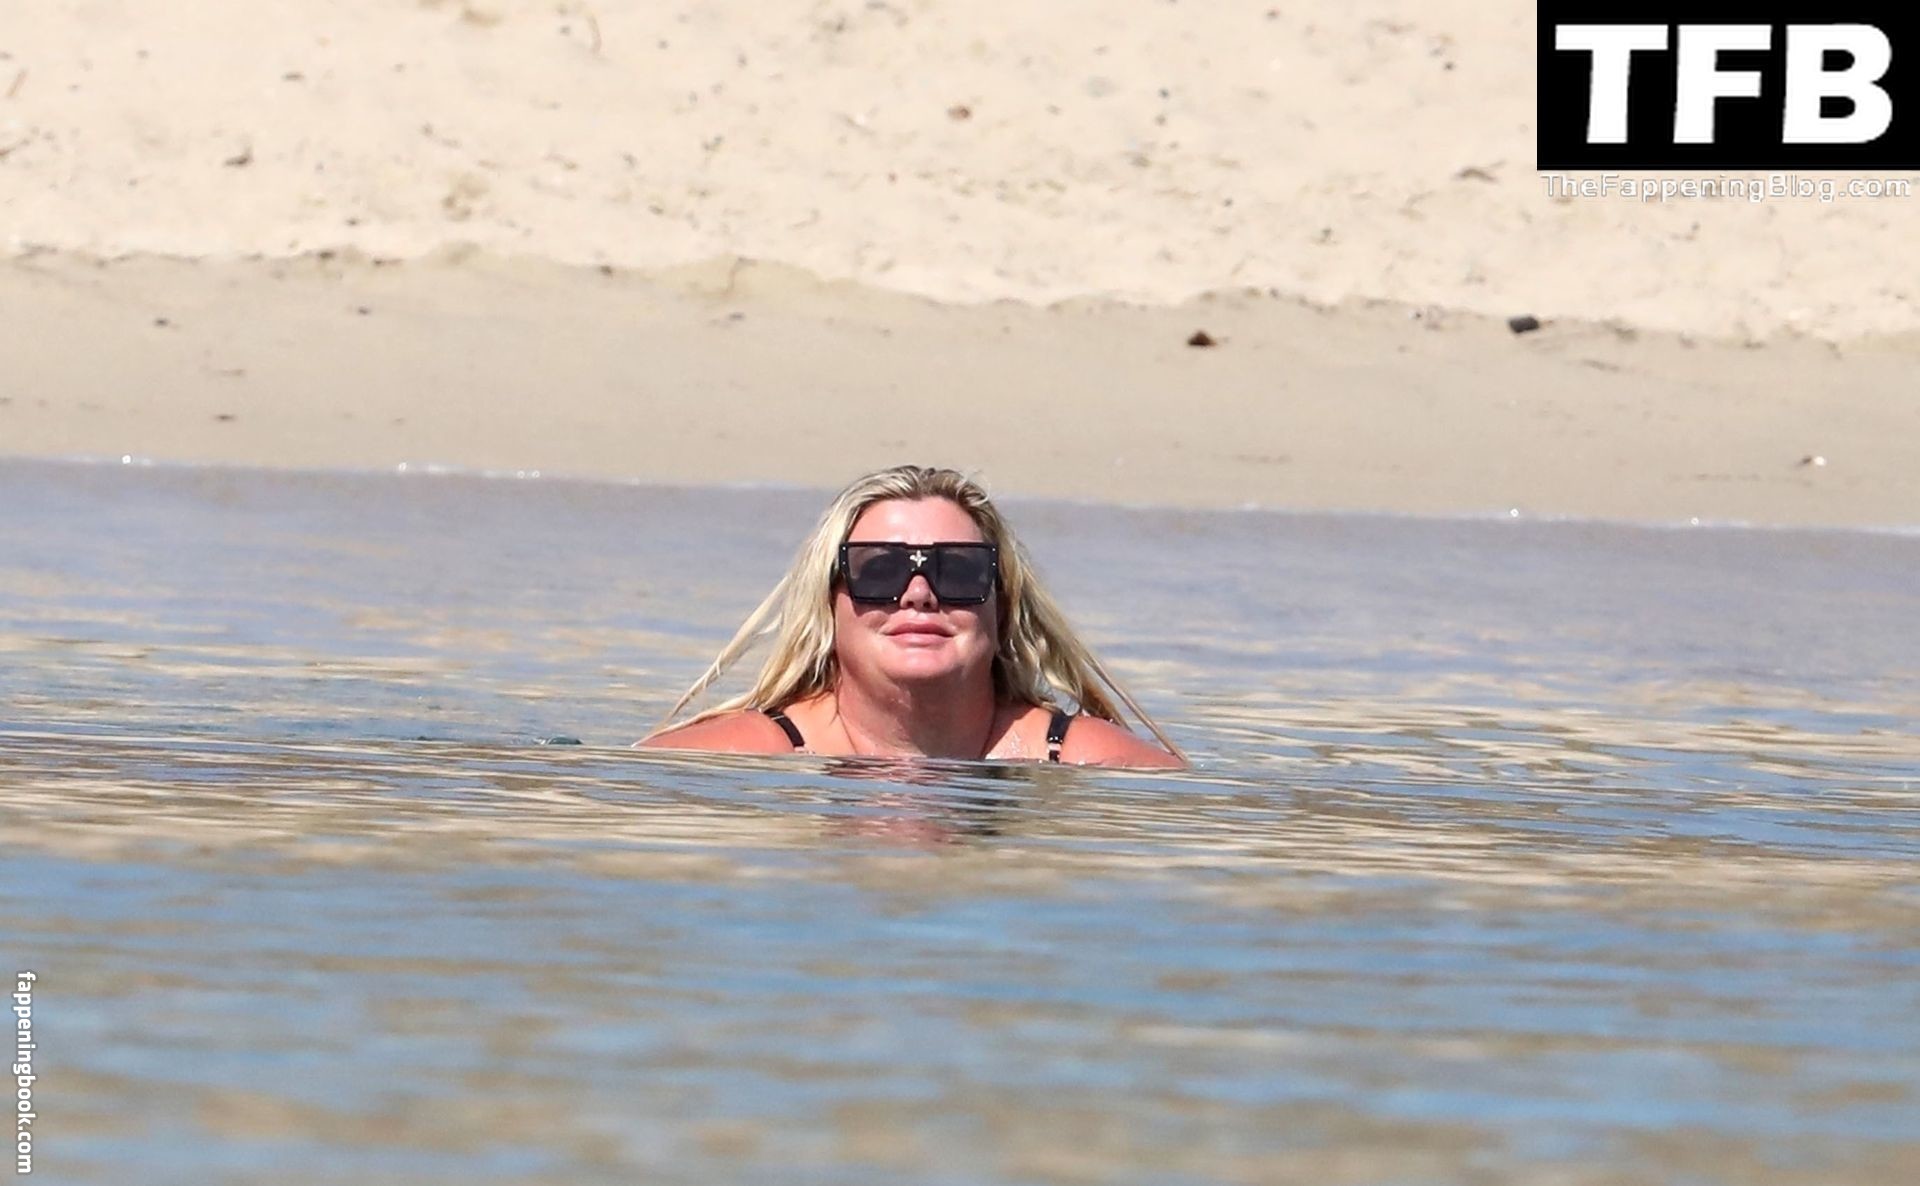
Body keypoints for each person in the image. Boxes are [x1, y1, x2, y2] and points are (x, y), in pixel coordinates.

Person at [637, 465, 1185, 768]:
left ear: (1002, 604)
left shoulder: (1090, 761)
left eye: (958, 571)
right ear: (829, 604)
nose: (918, 594)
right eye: (879, 570)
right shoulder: (734, 758)